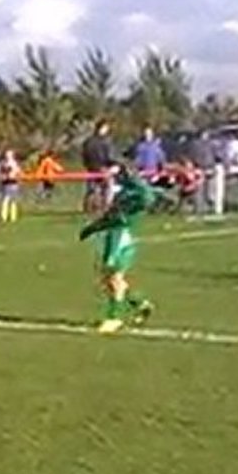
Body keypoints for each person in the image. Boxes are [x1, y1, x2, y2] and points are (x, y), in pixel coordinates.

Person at [79, 164, 156, 335]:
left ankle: (114, 318)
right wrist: (92, 228)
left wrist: (134, 181)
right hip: (111, 237)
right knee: (108, 280)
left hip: (121, 239)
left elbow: (147, 197)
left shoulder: (134, 193)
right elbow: (109, 218)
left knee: (114, 278)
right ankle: (140, 304)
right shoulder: (120, 193)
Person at [81, 119, 115, 214]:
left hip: (91, 168)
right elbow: (109, 157)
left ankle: (89, 207)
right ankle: (106, 206)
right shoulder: (105, 142)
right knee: (109, 186)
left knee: (92, 189)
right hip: (102, 168)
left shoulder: (88, 142)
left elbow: (84, 156)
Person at [0, 149, 22, 223]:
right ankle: (11, 217)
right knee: (12, 200)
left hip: (8, 182)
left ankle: (5, 217)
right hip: (12, 182)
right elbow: (18, 172)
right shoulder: (14, 163)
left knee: (7, 200)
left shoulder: (4, 163)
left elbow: (3, 172)